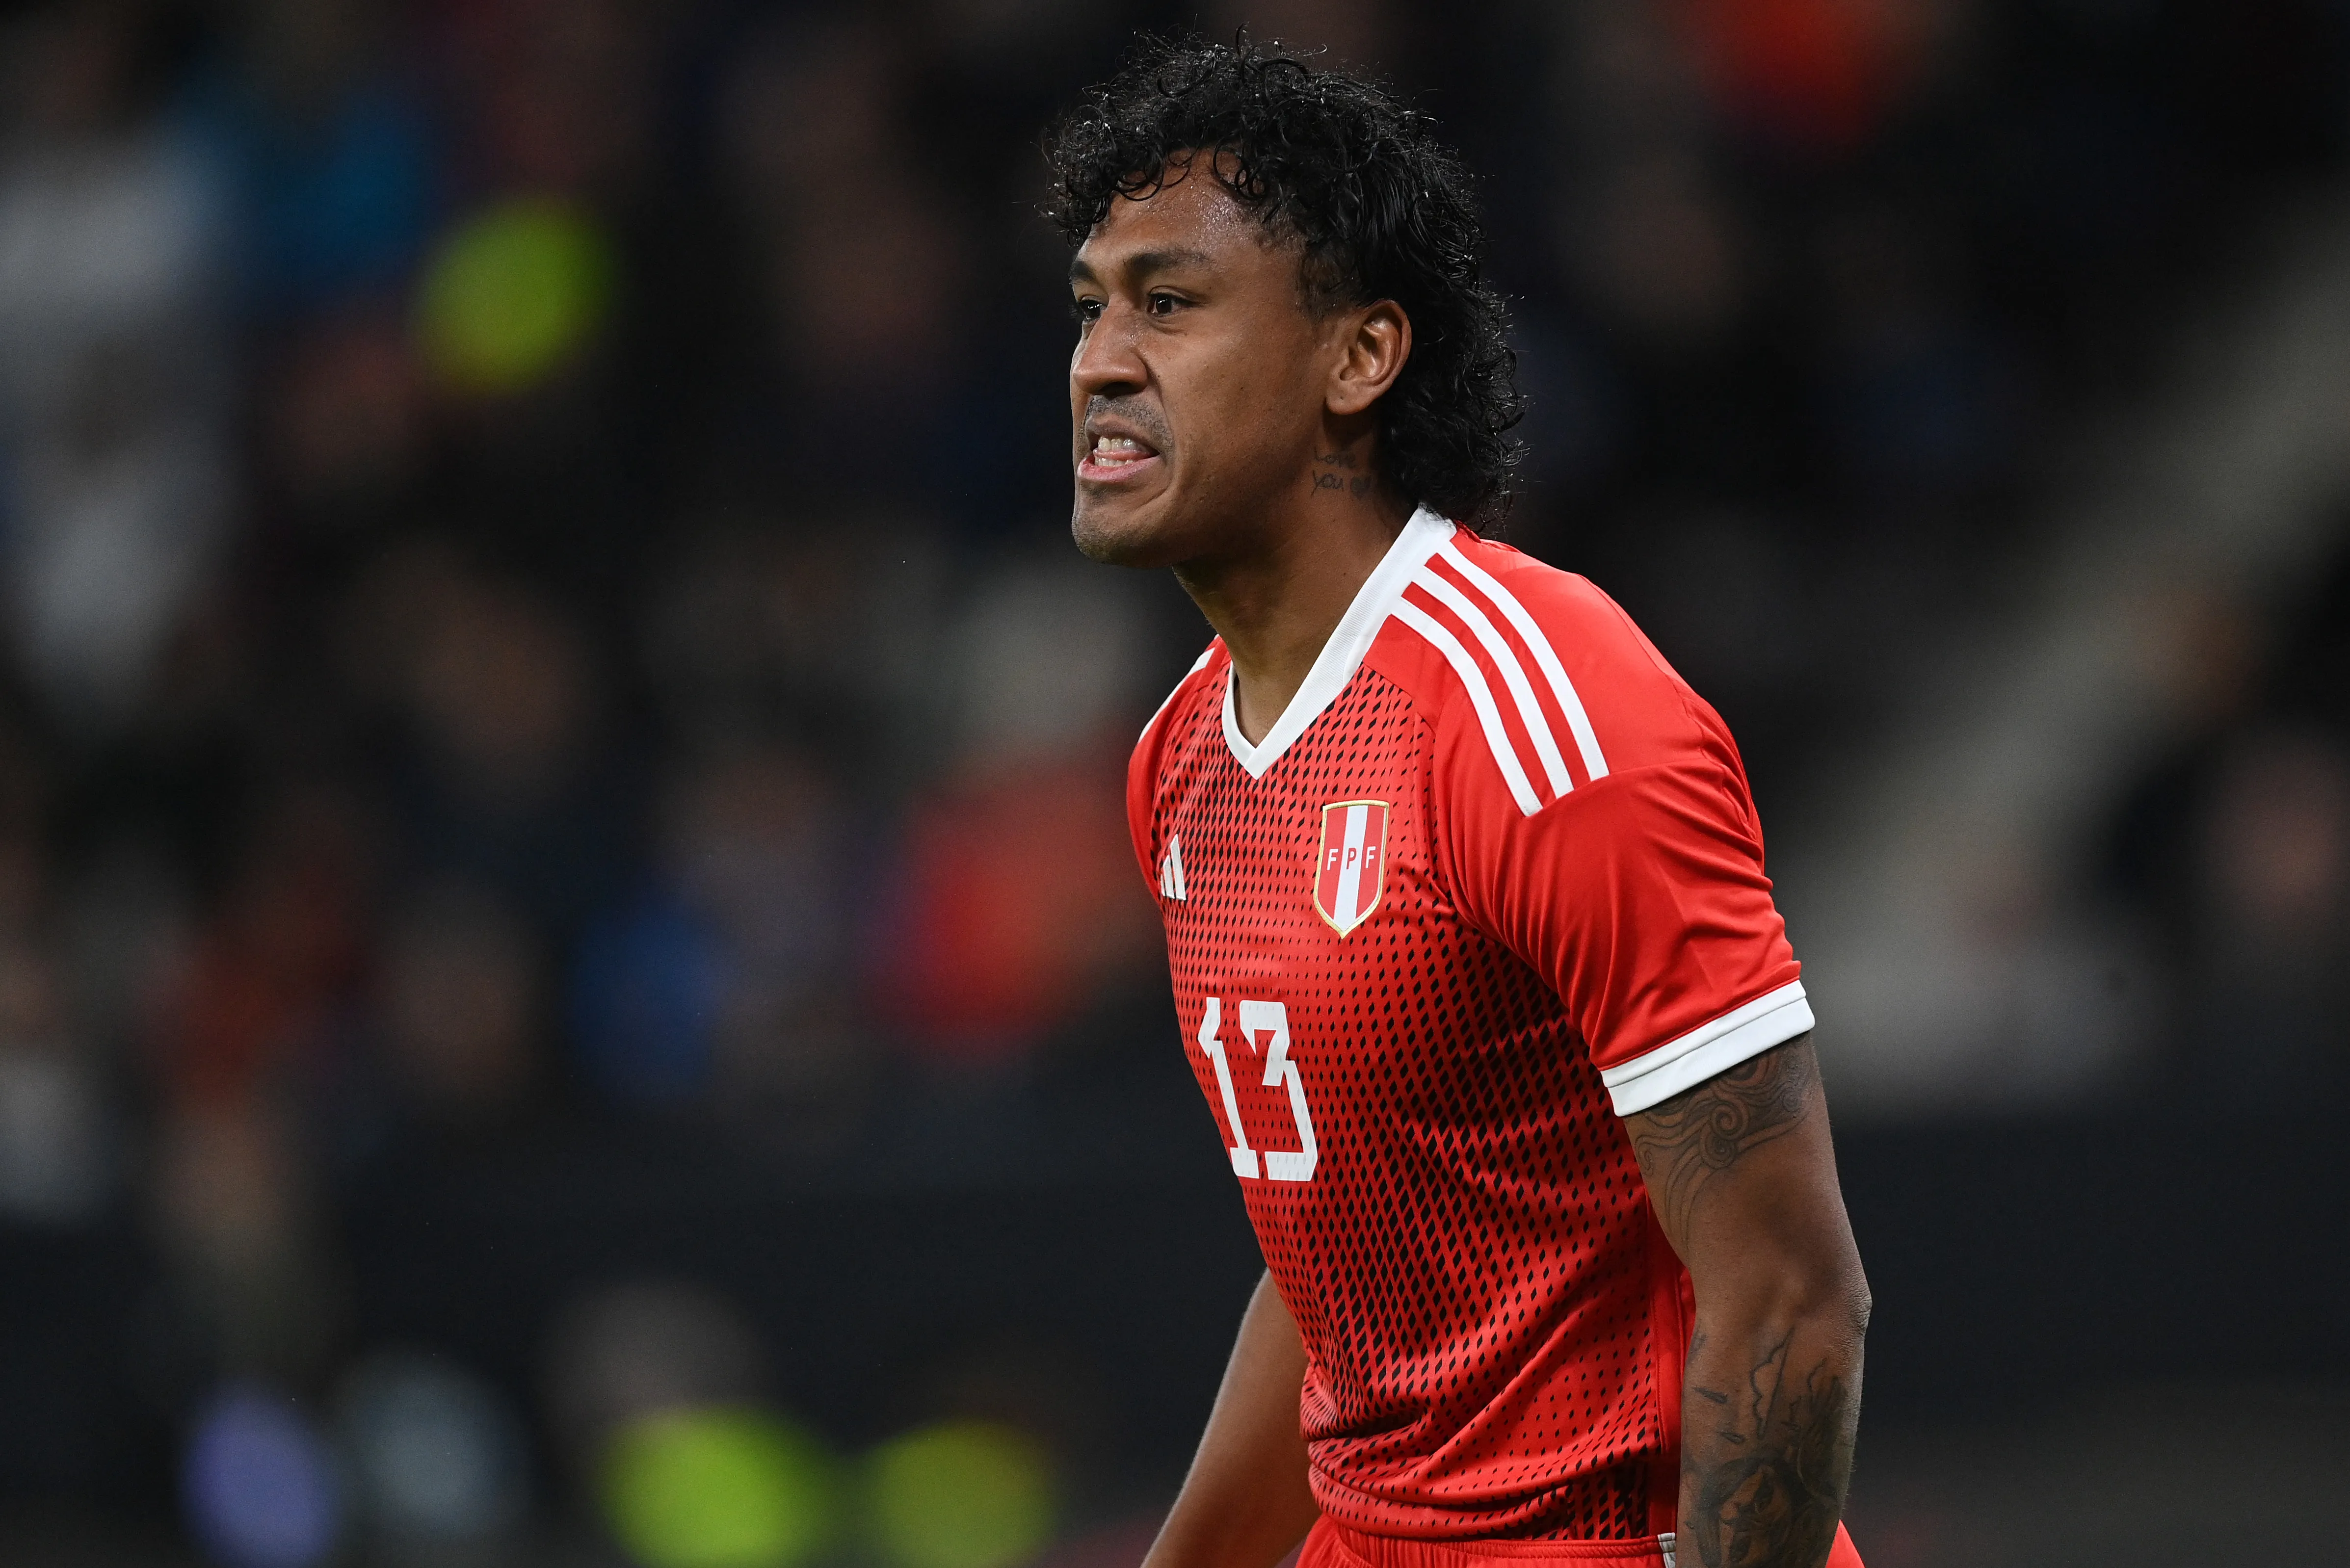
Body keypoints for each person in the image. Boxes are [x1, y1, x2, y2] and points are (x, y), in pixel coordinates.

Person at [1051, 38, 1869, 1568]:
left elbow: (1788, 1294)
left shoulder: (1544, 716)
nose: (1100, 359)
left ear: (1358, 358)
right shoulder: (1179, 763)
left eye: (1169, 303)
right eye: (1092, 305)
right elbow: (1344, 1267)